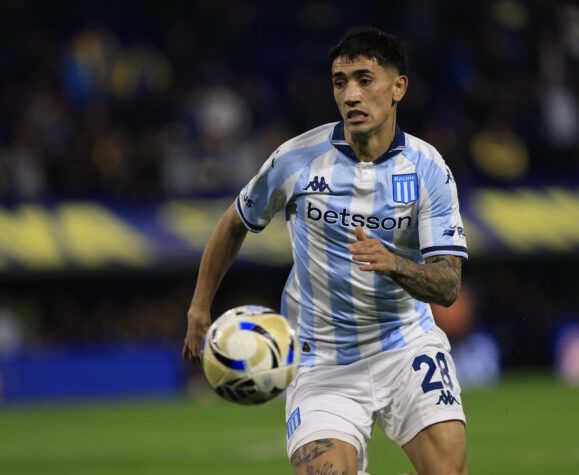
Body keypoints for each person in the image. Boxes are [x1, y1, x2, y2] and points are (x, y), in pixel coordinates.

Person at [184, 26, 468, 475]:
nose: (351, 95)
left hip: (406, 348)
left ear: (398, 87)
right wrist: (200, 308)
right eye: (340, 82)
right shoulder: (296, 159)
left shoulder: (428, 169)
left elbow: (448, 285)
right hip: (321, 363)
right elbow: (234, 223)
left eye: (364, 80)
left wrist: (394, 264)